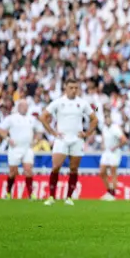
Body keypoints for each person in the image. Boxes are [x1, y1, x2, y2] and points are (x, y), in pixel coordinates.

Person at [39, 78, 98, 206]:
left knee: (74, 168)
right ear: (65, 88)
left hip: (77, 139)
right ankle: (51, 196)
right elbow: (43, 117)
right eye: (71, 87)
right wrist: (53, 133)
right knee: (56, 167)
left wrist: (87, 133)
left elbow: (94, 119)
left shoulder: (82, 103)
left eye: (76, 88)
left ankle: (69, 197)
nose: (73, 90)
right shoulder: (58, 102)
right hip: (62, 139)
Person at [0, 99, 44, 200]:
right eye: (23, 106)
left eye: (26, 106)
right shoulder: (11, 118)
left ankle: (31, 194)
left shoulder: (31, 119)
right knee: (13, 172)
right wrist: (8, 139)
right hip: (15, 148)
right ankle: (8, 193)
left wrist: (35, 141)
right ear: (18, 107)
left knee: (28, 170)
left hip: (27, 148)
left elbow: (40, 131)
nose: (25, 108)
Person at [99, 116, 127, 201]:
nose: (107, 120)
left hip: (115, 153)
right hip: (106, 152)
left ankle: (113, 194)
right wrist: (103, 144)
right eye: (106, 118)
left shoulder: (115, 128)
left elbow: (124, 140)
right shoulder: (104, 128)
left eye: (109, 118)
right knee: (102, 172)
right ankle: (109, 191)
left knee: (113, 172)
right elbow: (103, 137)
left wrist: (115, 147)